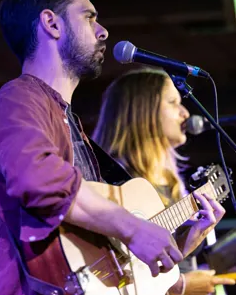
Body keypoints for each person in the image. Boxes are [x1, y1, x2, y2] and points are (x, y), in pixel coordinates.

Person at [0, 0, 226, 295]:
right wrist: (134, 229)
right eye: (89, 17)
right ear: (51, 24)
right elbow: (36, 180)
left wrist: (177, 241)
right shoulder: (18, 99)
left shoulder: (71, 125)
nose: (103, 31)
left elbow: (104, 257)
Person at [92, 67, 236, 295]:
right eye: (172, 102)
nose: (186, 113)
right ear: (142, 110)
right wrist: (182, 287)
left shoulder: (174, 185)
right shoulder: (108, 183)